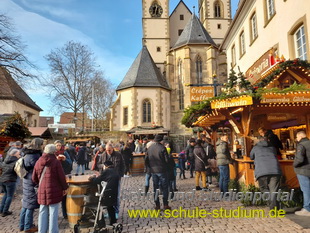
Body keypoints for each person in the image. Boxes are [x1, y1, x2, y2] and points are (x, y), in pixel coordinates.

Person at [32, 144, 68, 233]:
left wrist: (41, 184)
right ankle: (53, 231)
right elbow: (61, 177)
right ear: (54, 152)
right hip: (54, 190)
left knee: (42, 211)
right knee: (53, 212)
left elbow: (34, 178)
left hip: (42, 189)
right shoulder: (56, 162)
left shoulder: (38, 161)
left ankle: (42, 231)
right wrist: (65, 188)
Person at [250, 137, 282, 209]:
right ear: (268, 140)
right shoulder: (272, 148)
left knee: (263, 188)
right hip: (275, 171)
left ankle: (272, 206)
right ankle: (274, 207)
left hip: (262, 171)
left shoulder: (255, 148)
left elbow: (251, 157)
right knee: (273, 190)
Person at [19, 138, 43, 232]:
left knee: (26, 204)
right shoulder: (34, 155)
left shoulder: (27, 153)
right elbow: (37, 169)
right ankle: (28, 227)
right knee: (30, 205)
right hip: (31, 181)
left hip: (26, 180)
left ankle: (22, 225)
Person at [98, 144, 125, 217]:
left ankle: (116, 211)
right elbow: (98, 164)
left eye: (109, 150)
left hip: (115, 178)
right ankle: (108, 211)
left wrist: (120, 175)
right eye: (107, 150)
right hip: (106, 178)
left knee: (116, 195)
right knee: (106, 195)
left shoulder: (118, 155)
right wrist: (102, 166)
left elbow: (123, 165)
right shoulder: (103, 155)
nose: (108, 151)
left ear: (112, 149)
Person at [89, 161, 119, 225]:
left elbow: (97, 181)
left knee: (99, 206)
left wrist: (92, 178)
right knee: (110, 207)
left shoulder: (106, 171)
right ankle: (113, 222)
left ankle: (101, 223)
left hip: (107, 193)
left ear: (105, 166)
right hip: (113, 193)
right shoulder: (115, 170)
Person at [145, 135, 171, 210]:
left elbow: (146, 160)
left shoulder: (149, 148)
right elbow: (166, 160)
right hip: (162, 170)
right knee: (165, 187)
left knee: (155, 188)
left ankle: (157, 205)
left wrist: (149, 168)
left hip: (153, 171)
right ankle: (165, 204)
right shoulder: (162, 148)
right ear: (161, 141)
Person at [294, 131, 310, 216]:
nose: (296, 139)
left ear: (300, 136)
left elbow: (299, 159)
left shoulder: (301, 145)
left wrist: (294, 165)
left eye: (297, 137)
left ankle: (307, 209)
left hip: (303, 170)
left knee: (306, 189)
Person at [0, 149, 20, 217]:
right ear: (14, 154)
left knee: (6, 194)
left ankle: (1, 209)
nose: (19, 155)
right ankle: (5, 211)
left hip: (2, 179)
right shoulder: (16, 162)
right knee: (9, 196)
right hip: (10, 180)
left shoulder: (6, 160)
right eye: (18, 154)